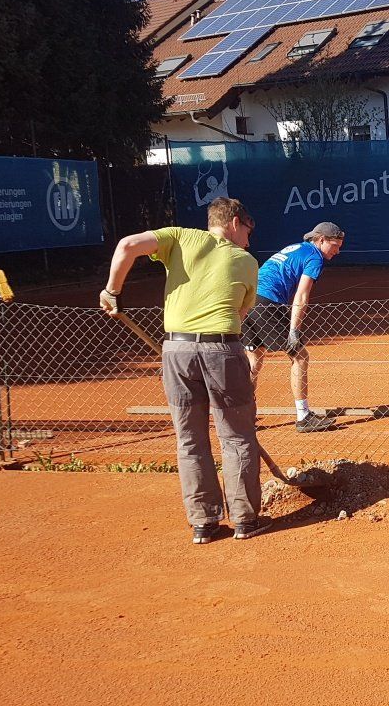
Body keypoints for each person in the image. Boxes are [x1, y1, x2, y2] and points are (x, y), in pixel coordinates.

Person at [100, 197, 265, 544]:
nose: (249, 241)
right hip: (223, 350)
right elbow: (240, 314)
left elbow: (127, 245)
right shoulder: (247, 261)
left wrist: (111, 291)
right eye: (249, 232)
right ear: (236, 222)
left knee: (189, 439)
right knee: (237, 437)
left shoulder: (179, 237)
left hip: (177, 350)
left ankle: (204, 523)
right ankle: (245, 520)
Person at [244, 222, 345, 433]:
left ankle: (243, 418)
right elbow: (302, 295)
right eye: (335, 245)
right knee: (300, 356)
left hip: (248, 300)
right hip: (267, 302)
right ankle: (303, 416)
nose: (337, 251)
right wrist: (294, 330)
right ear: (321, 240)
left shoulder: (297, 248)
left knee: (254, 360)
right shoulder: (315, 257)